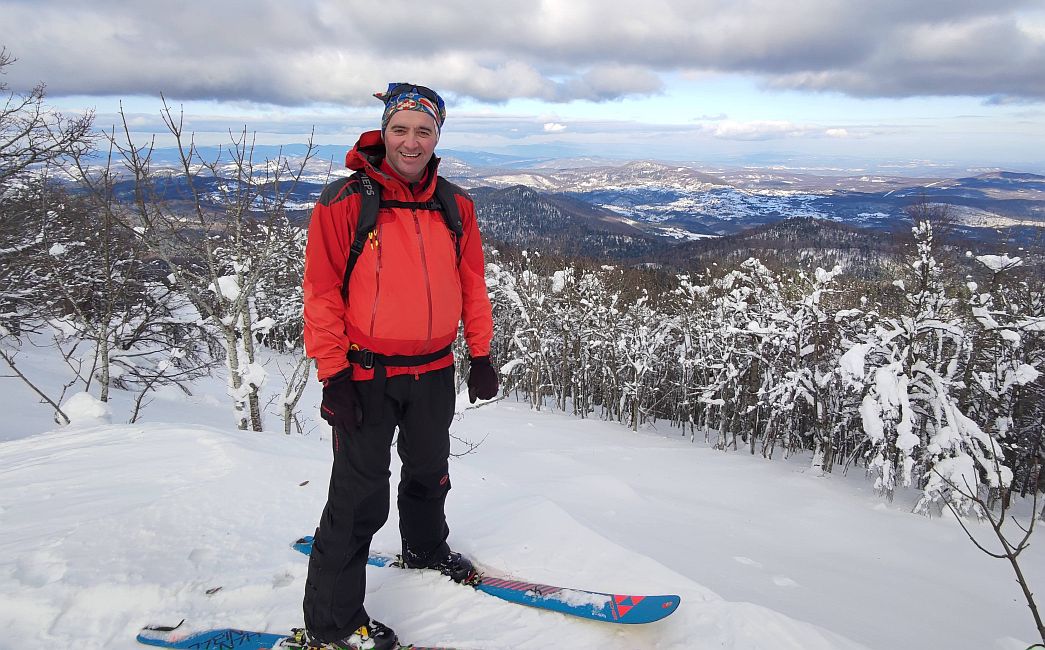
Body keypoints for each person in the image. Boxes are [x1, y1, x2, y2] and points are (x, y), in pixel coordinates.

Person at [299, 83, 499, 650]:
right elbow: (321, 293)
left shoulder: (455, 206)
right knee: (359, 495)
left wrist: (480, 354)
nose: (412, 141)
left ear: (438, 137)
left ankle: (426, 548)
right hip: (365, 374)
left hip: (434, 370)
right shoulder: (345, 202)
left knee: (429, 472)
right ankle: (333, 625)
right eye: (401, 129)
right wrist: (333, 373)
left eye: (424, 131)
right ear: (384, 132)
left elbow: (472, 285)